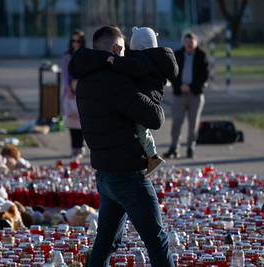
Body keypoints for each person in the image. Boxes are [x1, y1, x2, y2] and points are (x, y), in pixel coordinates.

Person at [69, 26, 174, 267]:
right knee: (157, 242)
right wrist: (154, 88)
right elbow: (154, 118)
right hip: (127, 174)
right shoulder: (115, 82)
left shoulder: (85, 80)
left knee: (106, 243)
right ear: (117, 49)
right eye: (125, 51)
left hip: (105, 174)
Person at [106, 26, 178, 176]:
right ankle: (151, 155)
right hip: (151, 97)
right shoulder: (156, 58)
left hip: (145, 98)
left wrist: (116, 61)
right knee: (141, 128)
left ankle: (152, 156)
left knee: (140, 129)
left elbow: (134, 67)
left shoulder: (143, 58)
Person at [164, 32, 209, 159]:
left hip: (195, 95)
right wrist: (180, 86)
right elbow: (172, 74)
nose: (189, 45)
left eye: (191, 42)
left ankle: (191, 147)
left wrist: (192, 87)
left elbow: (204, 76)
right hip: (179, 94)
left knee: (193, 123)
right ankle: (174, 148)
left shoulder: (202, 56)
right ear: (183, 42)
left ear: (196, 43)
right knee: (177, 121)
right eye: (186, 42)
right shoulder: (177, 55)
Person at [60, 30, 86, 158]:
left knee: (81, 122)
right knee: (71, 121)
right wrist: (69, 89)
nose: (75, 43)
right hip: (70, 93)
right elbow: (64, 75)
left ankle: (80, 147)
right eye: (73, 40)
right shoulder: (66, 57)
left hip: (81, 92)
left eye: (78, 41)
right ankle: (73, 148)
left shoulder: (85, 55)